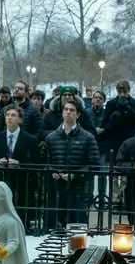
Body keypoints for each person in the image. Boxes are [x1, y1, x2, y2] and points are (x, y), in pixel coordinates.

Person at [40, 96, 98, 232]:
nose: (68, 112)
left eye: (72, 110)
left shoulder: (88, 138)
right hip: (56, 189)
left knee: (77, 230)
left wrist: (75, 175)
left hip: (78, 188)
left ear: (78, 114)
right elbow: (44, 161)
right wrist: (52, 171)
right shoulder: (51, 137)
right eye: (65, 109)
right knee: (53, 231)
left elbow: (94, 165)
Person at [0, 105, 42, 229]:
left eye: (13, 115)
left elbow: (37, 163)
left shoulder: (30, 139)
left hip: (23, 183)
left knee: (20, 209)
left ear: (20, 120)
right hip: (2, 181)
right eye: (7, 115)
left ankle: (22, 226)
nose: (9, 118)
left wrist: (20, 164)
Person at [99, 81, 135, 164]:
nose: (122, 94)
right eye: (120, 92)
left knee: (127, 164)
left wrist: (128, 109)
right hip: (113, 140)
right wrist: (113, 118)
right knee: (112, 165)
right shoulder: (111, 104)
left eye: (124, 91)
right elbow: (104, 124)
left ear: (129, 90)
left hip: (129, 138)